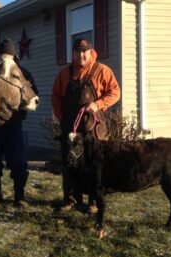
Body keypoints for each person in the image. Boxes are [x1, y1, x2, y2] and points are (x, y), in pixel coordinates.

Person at [51, 38, 120, 212]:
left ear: (90, 52)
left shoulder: (102, 71)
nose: (81, 55)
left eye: (84, 51)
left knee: (95, 165)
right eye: (77, 51)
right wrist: (61, 118)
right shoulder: (64, 74)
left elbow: (115, 92)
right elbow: (56, 97)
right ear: (73, 53)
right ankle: (71, 199)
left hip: (94, 127)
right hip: (71, 128)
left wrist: (98, 104)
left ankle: (94, 201)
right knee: (70, 163)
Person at [0, 38, 38, 208]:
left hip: (13, 126)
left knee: (19, 163)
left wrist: (18, 114)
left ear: (14, 56)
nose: (4, 59)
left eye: (8, 55)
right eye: (1, 55)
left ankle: (20, 197)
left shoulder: (23, 74)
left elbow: (32, 95)